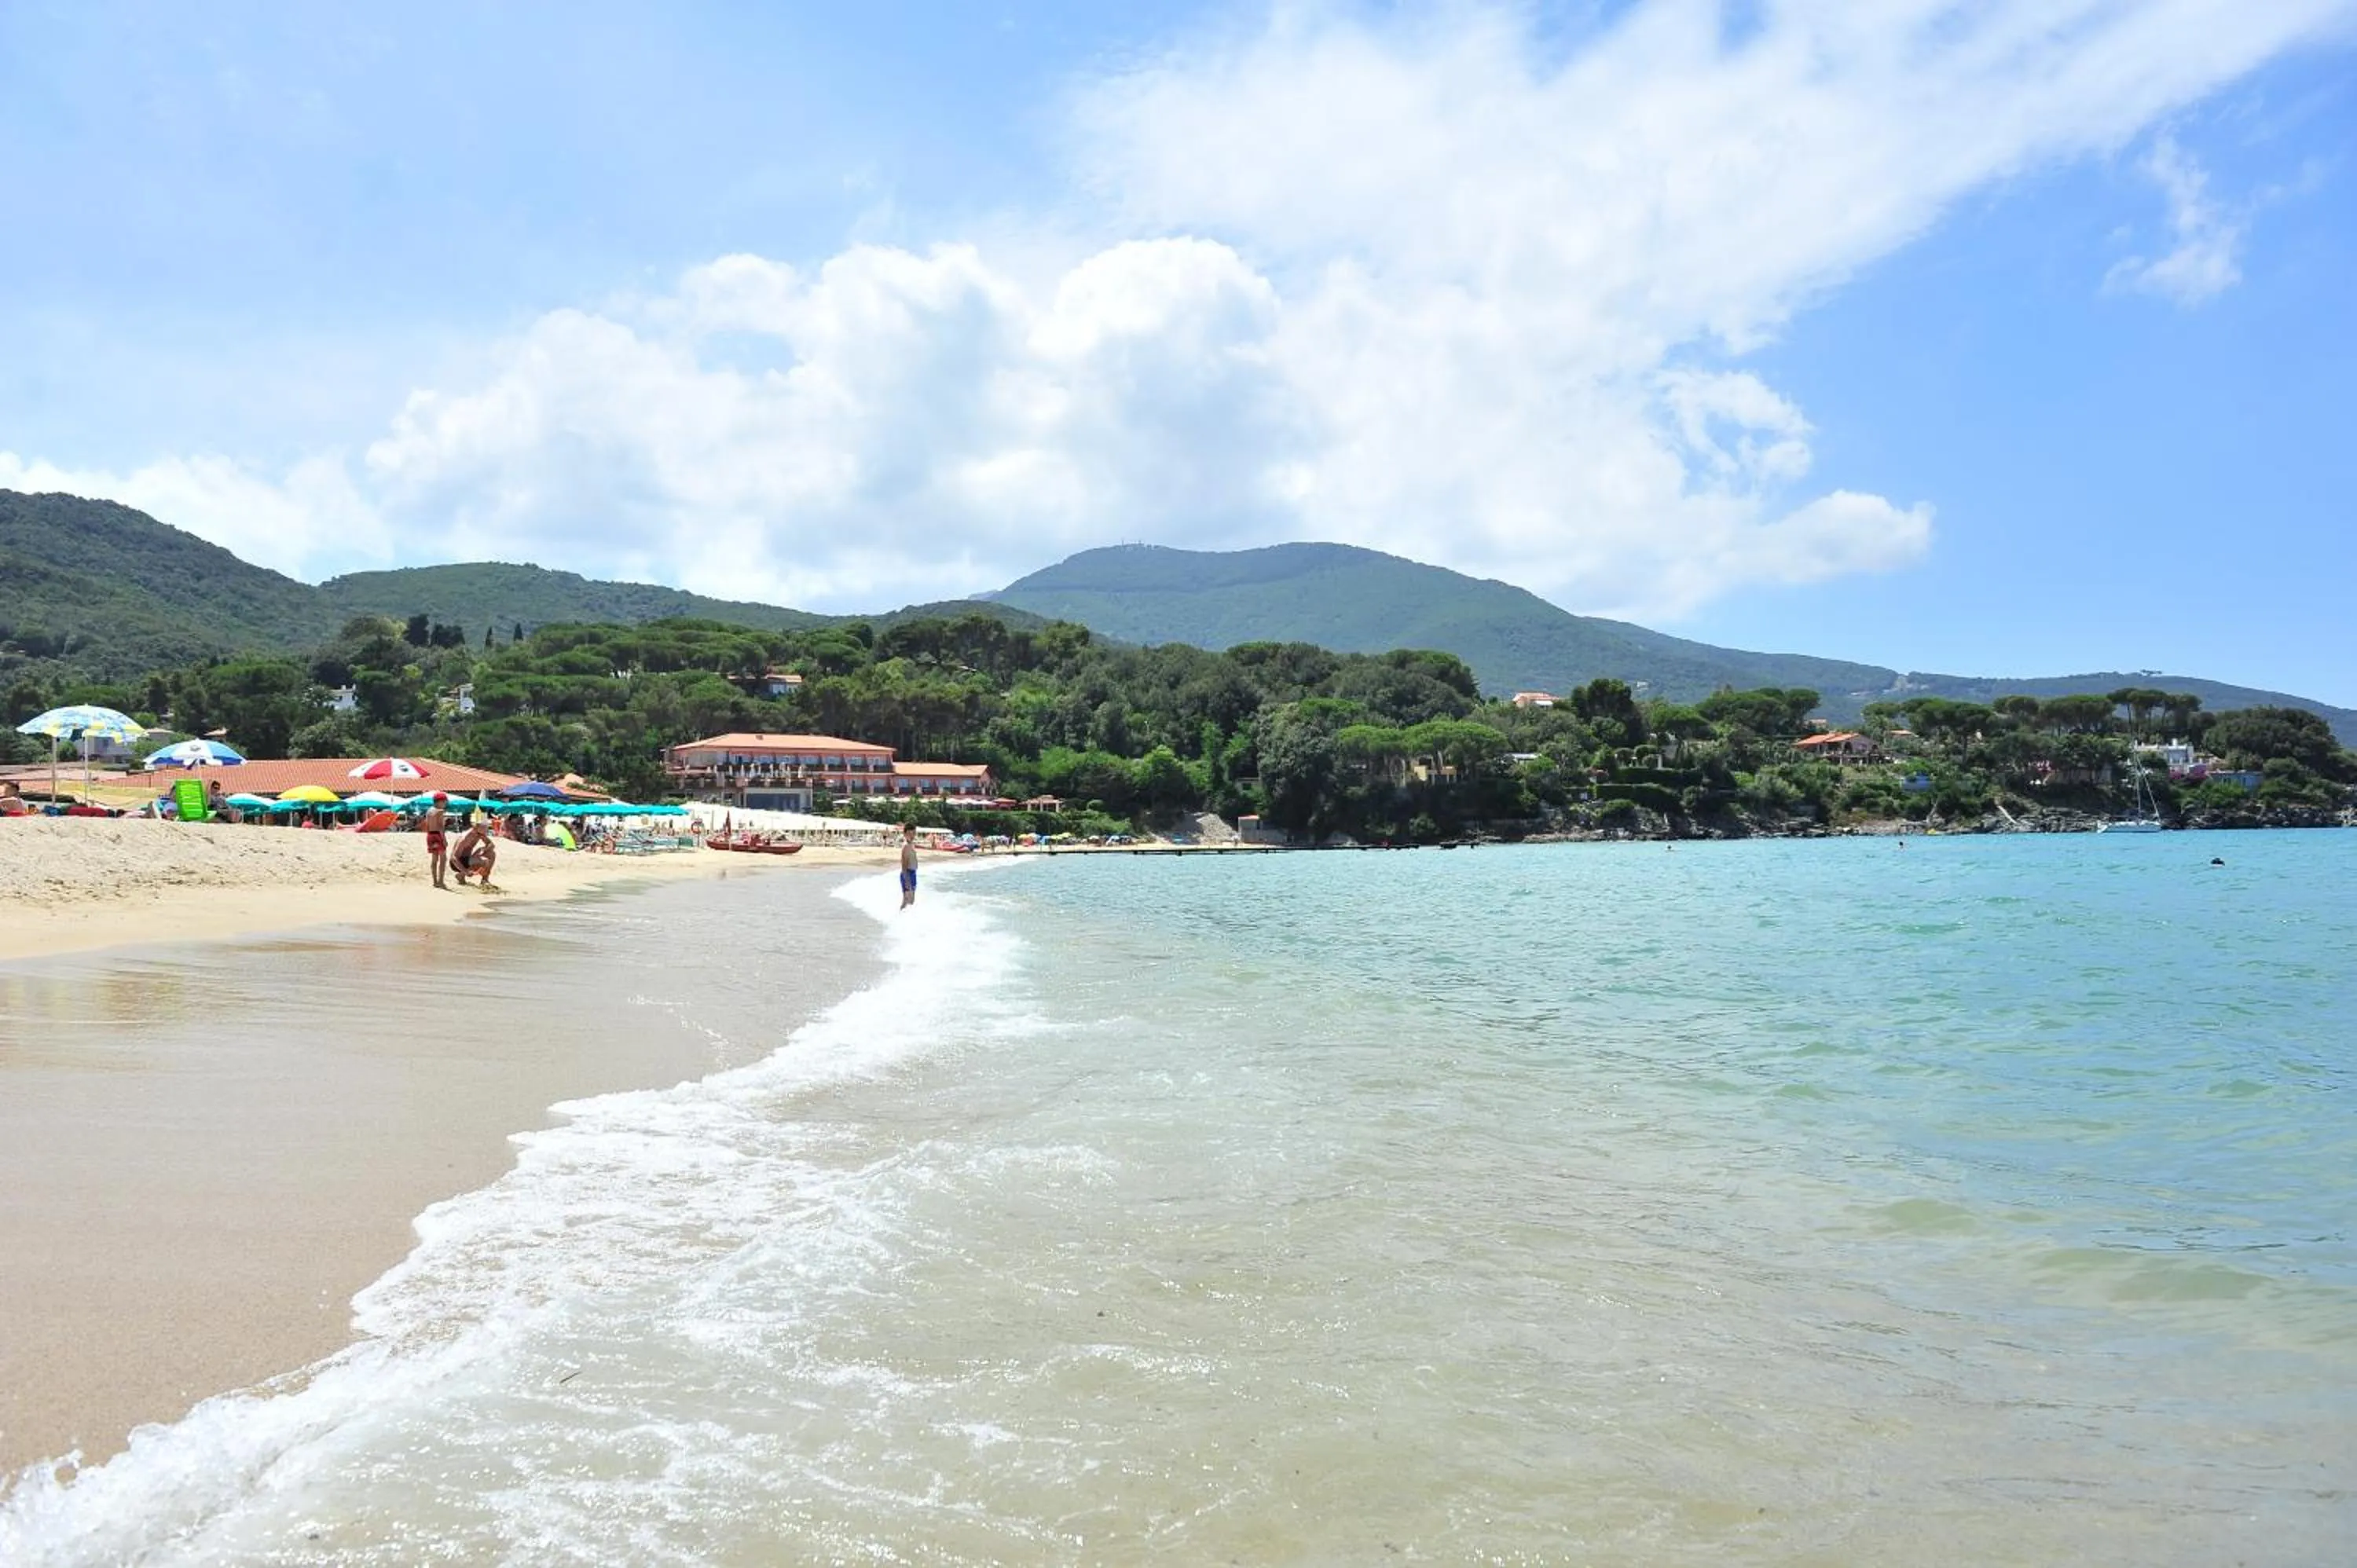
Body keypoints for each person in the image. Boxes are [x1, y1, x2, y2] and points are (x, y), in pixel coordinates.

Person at [451, 817, 499, 888]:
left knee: (491, 854)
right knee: (484, 862)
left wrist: (483, 850)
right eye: (485, 827)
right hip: (458, 862)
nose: (487, 829)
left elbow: (491, 845)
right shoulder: (465, 838)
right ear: (477, 827)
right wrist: (466, 871)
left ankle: (484, 880)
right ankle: (462, 874)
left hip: (468, 859)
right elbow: (454, 858)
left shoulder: (479, 834)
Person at [420, 792, 452, 888]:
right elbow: (441, 827)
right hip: (438, 835)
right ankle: (441, 881)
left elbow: (426, 825)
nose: (445, 803)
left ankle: (435, 881)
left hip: (430, 835)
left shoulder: (429, 811)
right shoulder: (440, 811)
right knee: (443, 859)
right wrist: (444, 839)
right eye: (445, 802)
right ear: (440, 801)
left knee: (434, 859)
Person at [899, 821, 919, 909]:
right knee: (907, 900)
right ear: (908, 832)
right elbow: (904, 865)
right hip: (908, 874)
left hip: (913, 873)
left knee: (910, 901)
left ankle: (903, 918)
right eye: (913, 832)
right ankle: (899, 917)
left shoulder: (911, 844)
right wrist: (907, 881)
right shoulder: (906, 846)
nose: (915, 834)